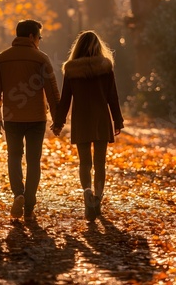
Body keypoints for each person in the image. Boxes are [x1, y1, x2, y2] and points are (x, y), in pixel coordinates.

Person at [0, 19, 60, 221]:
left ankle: (18, 194)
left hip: (12, 118)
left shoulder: (2, 58)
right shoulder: (41, 58)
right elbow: (52, 92)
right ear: (31, 37)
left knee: (14, 157)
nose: (40, 40)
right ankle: (29, 203)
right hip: (37, 118)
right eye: (39, 36)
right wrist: (58, 120)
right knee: (33, 160)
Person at [51, 30, 124, 222]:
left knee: (85, 162)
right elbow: (112, 97)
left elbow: (65, 99)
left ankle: (87, 191)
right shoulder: (106, 67)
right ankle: (97, 201)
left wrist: (58, 123)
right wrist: (118, 120)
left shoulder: (71, 69)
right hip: (101, 118)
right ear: (98, 46)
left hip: (81, 119)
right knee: (100, 164)